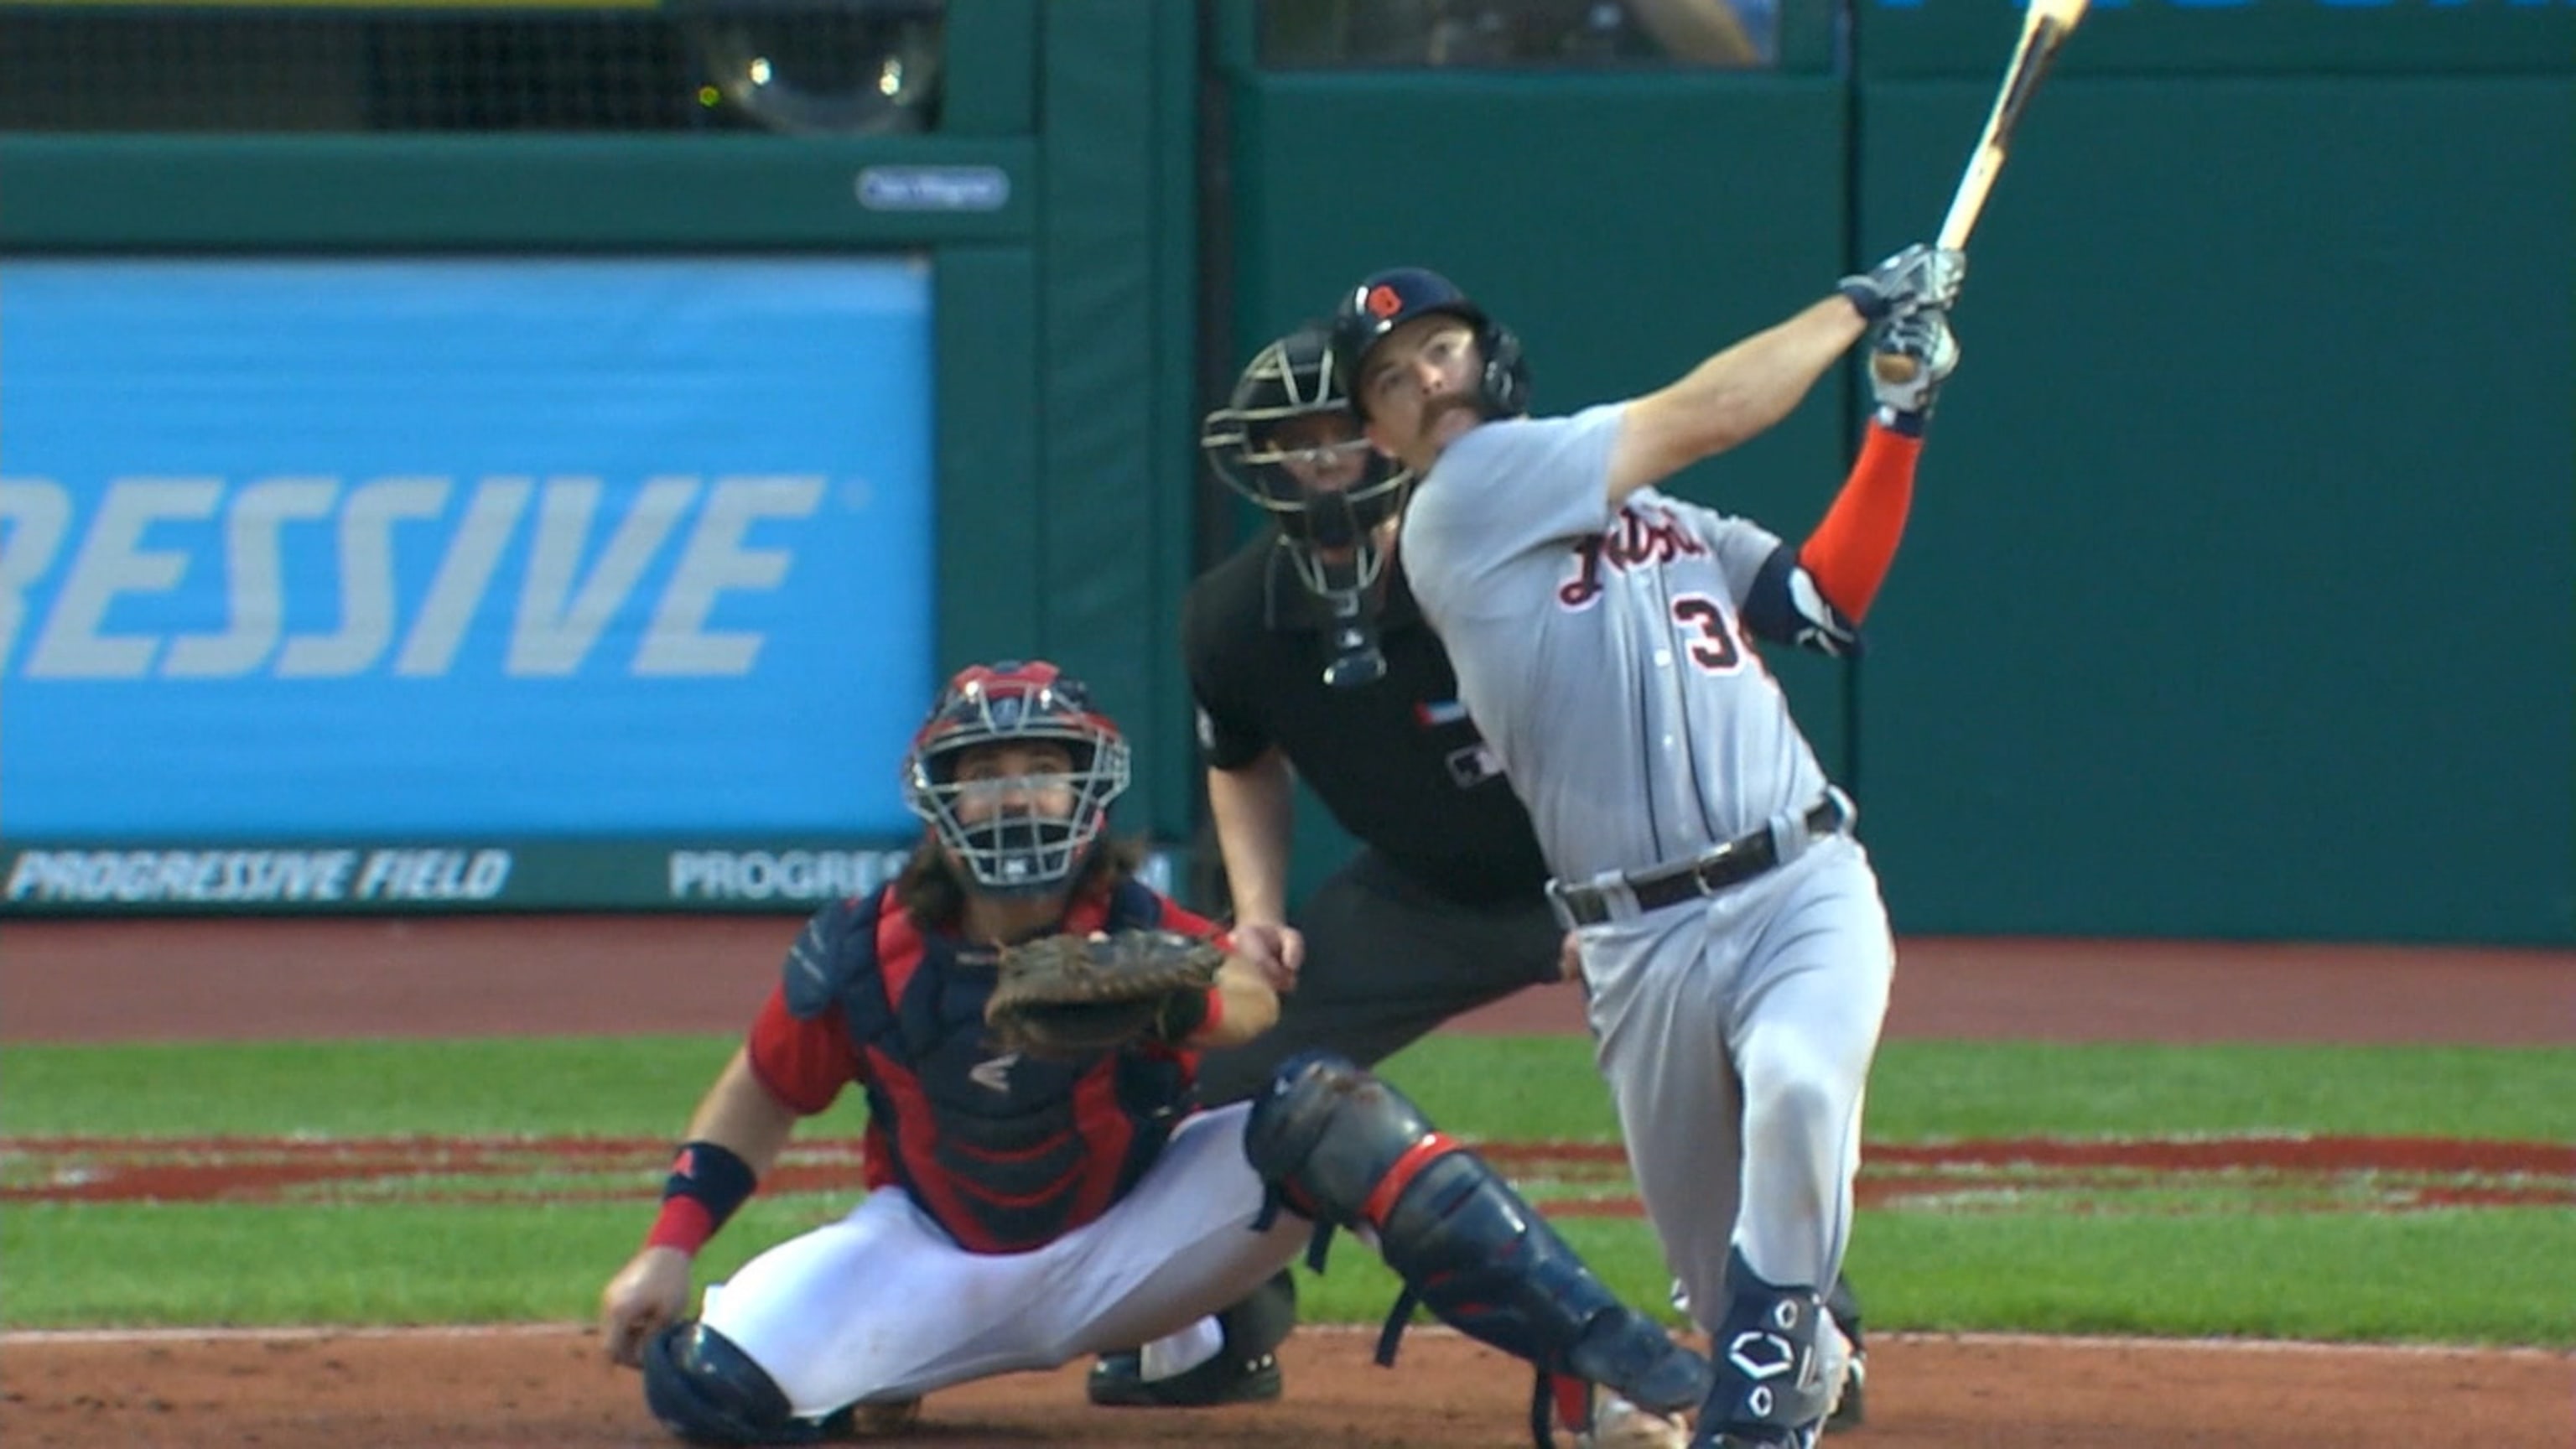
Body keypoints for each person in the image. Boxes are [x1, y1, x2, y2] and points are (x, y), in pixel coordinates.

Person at [595, 658, 1711, 1445]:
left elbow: (1251, 1002)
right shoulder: (862, 949)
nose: (1017, 792)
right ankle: (883, 1373)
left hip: (1140, 1242)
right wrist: (670, 1243)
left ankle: (1599, 1365)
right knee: (704, 1391)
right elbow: (761, 1092)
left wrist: (1162, 1005)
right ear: (943, 801)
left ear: (1085, 787)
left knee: (1328, 1109)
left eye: (1040, 765)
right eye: (989, 771)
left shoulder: (1130, 919)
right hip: (938, 1251)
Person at [1088, 325, 1872, 1441]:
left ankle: (1805, 1337)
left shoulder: (1492, 527)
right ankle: (1219, 1335)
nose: (1318, 463)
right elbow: (1241, 764)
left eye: (1334, 437)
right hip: (1418, 893)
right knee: (1219, 1058)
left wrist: (1599, 889)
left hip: (1603, 870)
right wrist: (1256, 913)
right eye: (1291, 443)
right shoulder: (1231, 613)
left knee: (1752, 1064)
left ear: (1381, 441)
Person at [1322, 248, 1962, 1449]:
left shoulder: (1655, 517)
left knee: (1802, 1085)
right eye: (1392, 379)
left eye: (1439, 347)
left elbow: (1822, 603)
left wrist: (1900, 418)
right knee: (1731, 1300)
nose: (1426, 378)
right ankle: (1792, 1355)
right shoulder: (1461, 504)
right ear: (1380, 434)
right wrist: (1856, 305)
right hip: (1639, 942)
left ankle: (1757, 1412)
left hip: (1798, 881)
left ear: (1489, 351)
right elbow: (1719, 410)